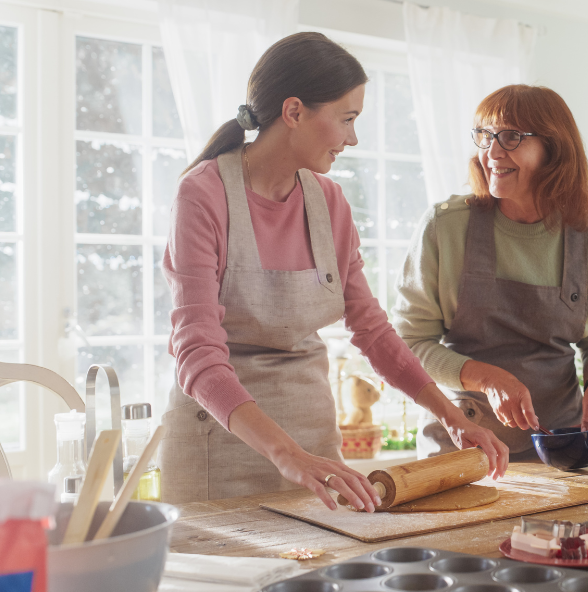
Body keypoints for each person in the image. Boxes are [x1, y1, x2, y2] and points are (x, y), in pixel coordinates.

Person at [160, 32, 508, 512]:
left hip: (313, 447)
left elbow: (372, 330)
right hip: (216, 449)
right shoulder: (203, 194)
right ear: (294, 112)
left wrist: (453, 417)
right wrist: (287, 454)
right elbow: (197, 353)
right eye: (347, 119)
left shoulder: (329, 202)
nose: (353, 138)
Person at [394, 85, 588, 461]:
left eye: (511, 137)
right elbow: (408, 343)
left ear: (554, 149)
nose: (492, 152)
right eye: (486, 136)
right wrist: (487, 377)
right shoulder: (446, 227)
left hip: (559, 447)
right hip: (460, 446)